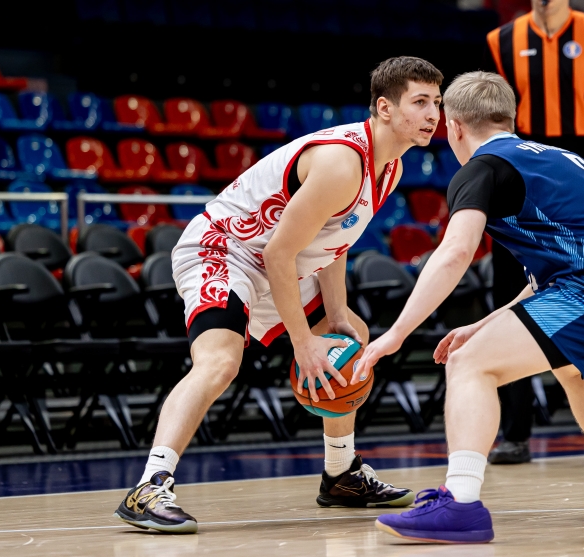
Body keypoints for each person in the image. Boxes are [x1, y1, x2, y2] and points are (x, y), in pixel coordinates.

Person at [113, 56, 444, 534]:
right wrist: (303, 342)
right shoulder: (341, 162)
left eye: (436, 102)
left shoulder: (388, 165)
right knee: (220, 361)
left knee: (349, 337)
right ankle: (149, 486)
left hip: (275, 259)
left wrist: (335, 312)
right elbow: (278, 254)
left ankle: (341, 474)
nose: (433, 114)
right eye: (420, 102)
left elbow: (332, 240)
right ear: (385, 108)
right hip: (224, 249)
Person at [354, 71, 584, 544]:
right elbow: (550, 278)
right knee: (572, 366)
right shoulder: (558, 157)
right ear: (510, 118)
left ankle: (460, 503)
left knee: (469, 364)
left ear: (455, 126)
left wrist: (396, 333)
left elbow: (455, 253)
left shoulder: (482, 169)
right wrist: (485, 324)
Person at [483, 0, 584, 464]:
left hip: (581, 168)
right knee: (509, 291)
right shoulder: (500, 41)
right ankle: (515, 433)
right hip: (519, 167)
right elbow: (490, 117)